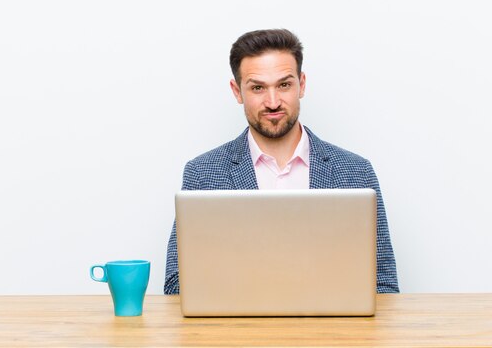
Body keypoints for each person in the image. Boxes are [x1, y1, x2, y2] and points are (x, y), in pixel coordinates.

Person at [164, 29, 399, 294]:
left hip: (332, 333)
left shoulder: (356, 173)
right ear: (237, 91)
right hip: (237, 334)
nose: (273, 102)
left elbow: (384, 285)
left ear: (302, 84)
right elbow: (176, 286)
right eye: (257, 88)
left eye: (284, 85)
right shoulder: (203, 174)